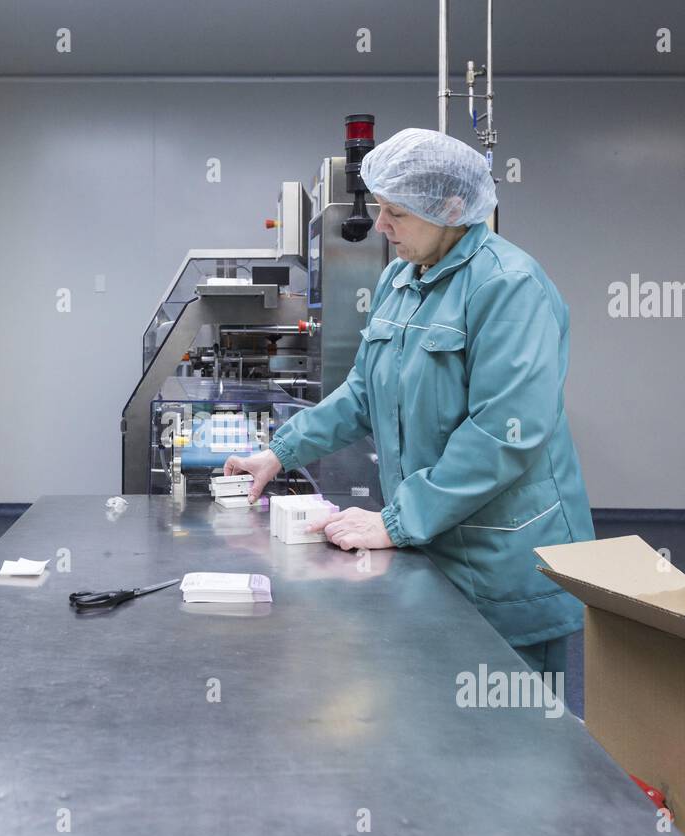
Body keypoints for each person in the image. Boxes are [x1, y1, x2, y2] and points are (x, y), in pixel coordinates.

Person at [225, 129, 594, 675]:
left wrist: (398, 522)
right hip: (432, 541)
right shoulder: (401, 278)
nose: (380, 226)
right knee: (435, 726)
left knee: (514, 743)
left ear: (449, 208)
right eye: (379, 208)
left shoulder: (509, 286)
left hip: (504, 560)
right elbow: (362, 392)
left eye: (395, 212)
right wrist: (280, 453)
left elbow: (502, 433)